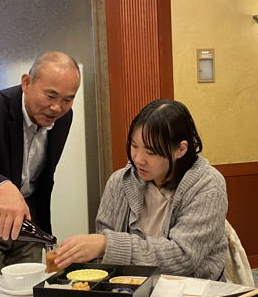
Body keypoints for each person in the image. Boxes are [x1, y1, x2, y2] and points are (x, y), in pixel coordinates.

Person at [55, 99, 228, 280]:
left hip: (195, 289)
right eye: (134, 146)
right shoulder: (119, 182)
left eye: (151, 152)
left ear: (180, 150)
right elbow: (103, 254)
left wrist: (108, 245)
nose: (138, 159)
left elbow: (182, 258)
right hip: (128, 287)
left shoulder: (207, 186)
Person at [0, 51, 80, 272]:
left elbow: (43, 176)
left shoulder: (63, 117)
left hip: (29, 222)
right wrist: (3, 188)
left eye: (67, 100)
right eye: (50, 96)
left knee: (30, 285)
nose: (57, 108)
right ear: (26, 82)